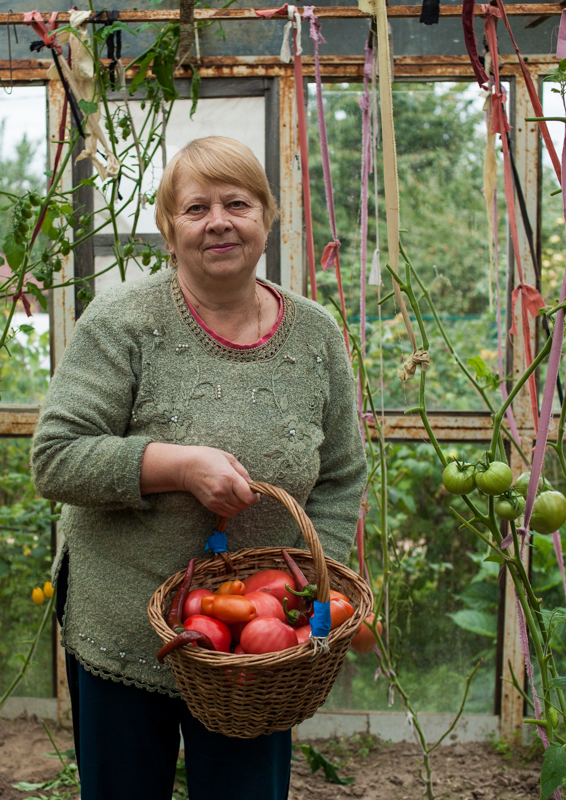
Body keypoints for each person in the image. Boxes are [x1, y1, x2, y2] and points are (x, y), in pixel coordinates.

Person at [31, 136, 365, 800]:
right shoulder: (123, 322)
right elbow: (56, 458)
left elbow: (340, 474)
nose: (219, 221)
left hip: (258, 642)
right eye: (196, 207)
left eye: (237, 203)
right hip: (124, 625)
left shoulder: (316, 335)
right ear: (168, 227)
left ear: (267, 219)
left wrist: (312, 603)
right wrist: (172, 464)